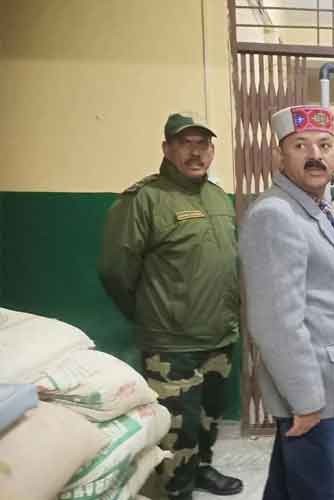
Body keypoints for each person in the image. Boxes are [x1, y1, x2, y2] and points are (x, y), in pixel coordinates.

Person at [99, 112, 242, 500]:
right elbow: (115, 271)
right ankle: (176, 489)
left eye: (203, 144)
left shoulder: (216, 196)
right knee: (177, 427)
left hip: (219, 335)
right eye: (185, 143)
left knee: (209, 416)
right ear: (167, 149)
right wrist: (152, 314)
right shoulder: (145, 199)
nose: (196, 153)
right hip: (171, 343)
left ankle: (202, 469)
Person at [239, 105, 334, 500]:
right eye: (300, 145)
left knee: (289, 487)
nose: (315, 155)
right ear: (279, 156)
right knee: (318, 491)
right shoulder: (276, 215)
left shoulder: (313, 205)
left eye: (325, 145)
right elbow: (276, 323)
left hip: (325, 381)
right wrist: (307, 402)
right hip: (313, 391)